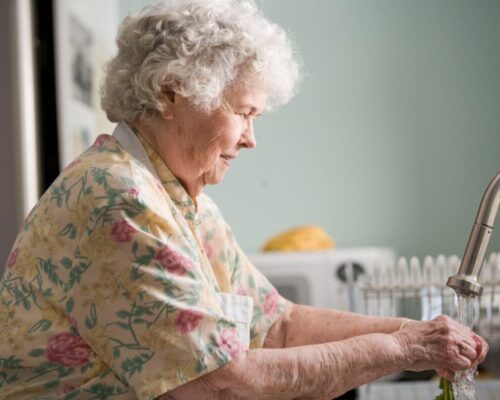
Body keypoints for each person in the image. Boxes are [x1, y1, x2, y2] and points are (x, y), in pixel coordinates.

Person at [0, 0, 488, 399]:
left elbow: (278, 325)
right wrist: (402, 349)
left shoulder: (182, 200)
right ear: (171, 94)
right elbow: (222, 385)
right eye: (242, 112)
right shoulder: (118, 200)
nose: (252, 138)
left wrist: (419, 335)